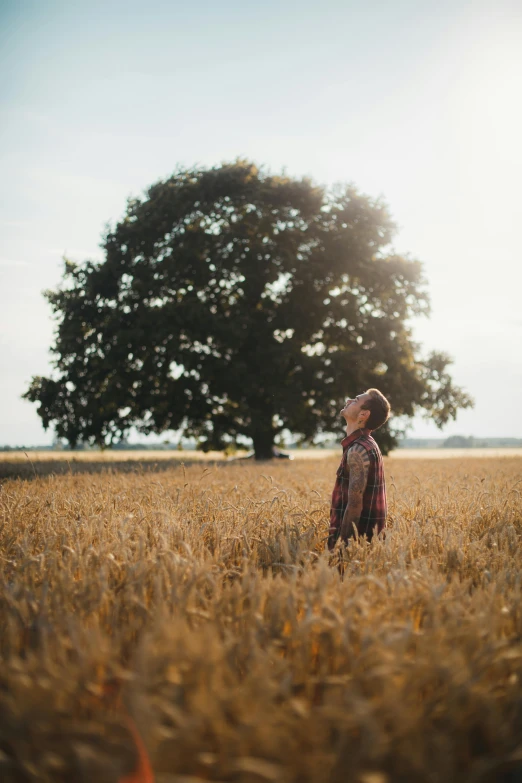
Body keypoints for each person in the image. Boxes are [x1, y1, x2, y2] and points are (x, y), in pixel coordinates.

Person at [328, 388, 390, 550]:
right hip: (363, 545)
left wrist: (341, 548)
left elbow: (355, 505)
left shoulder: (358, 450)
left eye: (355, 400)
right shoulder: (367, 444)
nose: (349, 401)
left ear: (363, 414)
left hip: (356, 545)